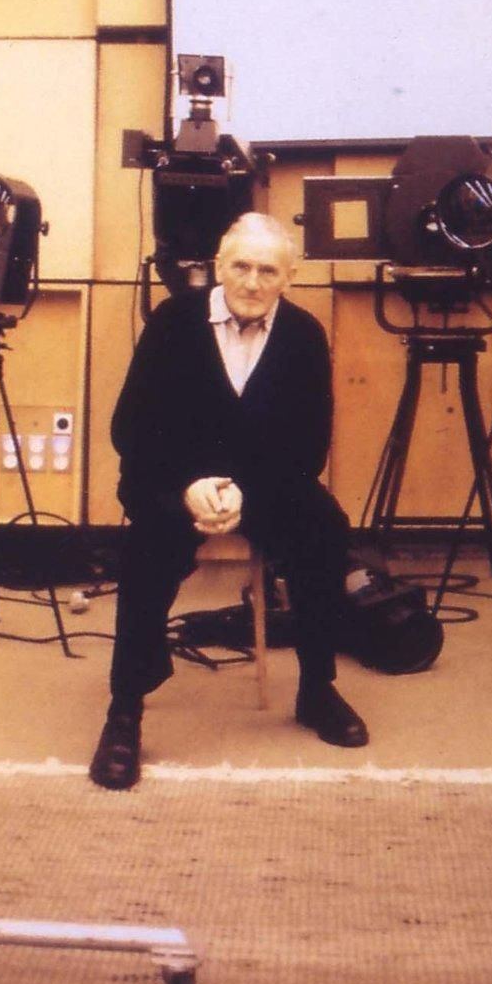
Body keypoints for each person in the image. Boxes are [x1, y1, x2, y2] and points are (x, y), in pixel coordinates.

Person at [90, 211, 368, 791]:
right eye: (240, 266)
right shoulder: (172, 322)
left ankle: (317, 689)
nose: (252, 281)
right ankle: (125, 709)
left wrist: (250, 494)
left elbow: (309, 445)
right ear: (218, 267)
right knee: (146, 546)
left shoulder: (305, 335)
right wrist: (188, 485)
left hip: (265, 484)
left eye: (268, 270)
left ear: (287, 279)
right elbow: (130, 428)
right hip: (173, 480)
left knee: (325, 529)